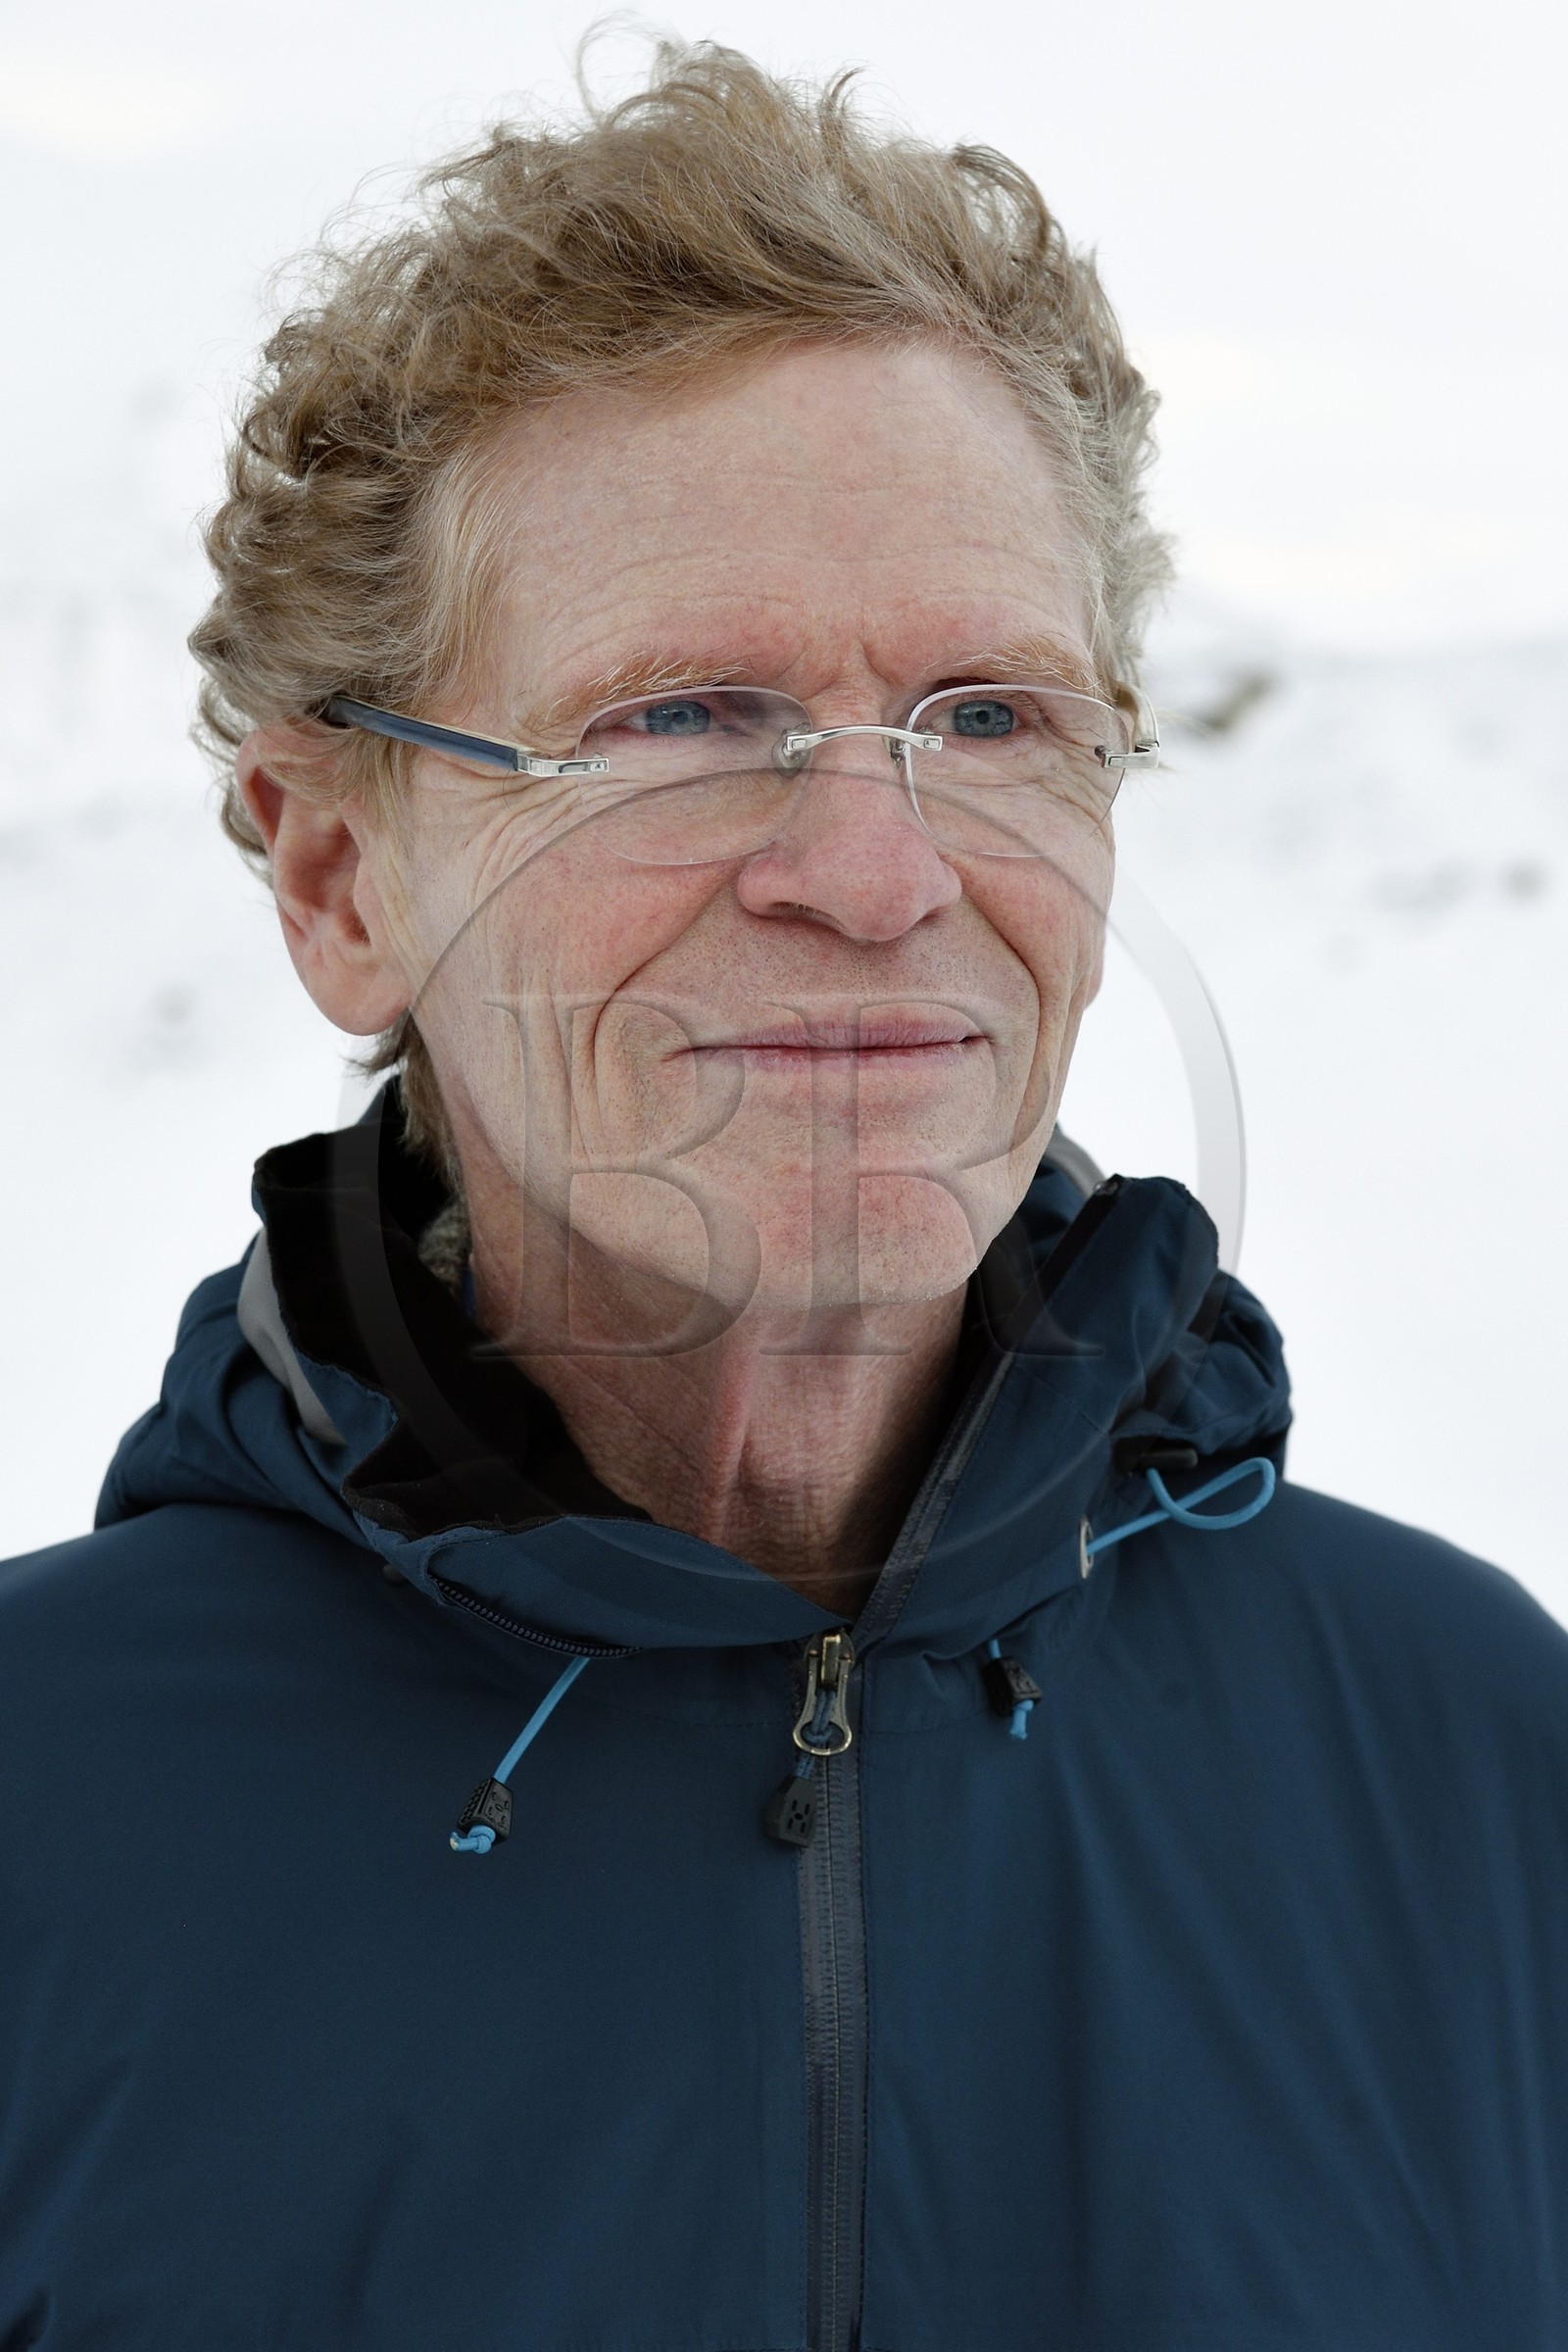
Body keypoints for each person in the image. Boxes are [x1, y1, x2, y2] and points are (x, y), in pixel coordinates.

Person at [2, 42, 1565, 2350]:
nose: (872, 870)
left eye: (992, 716)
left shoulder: (1464, 1765)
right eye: (678, 716)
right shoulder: (46, 1814)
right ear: (342, 878)